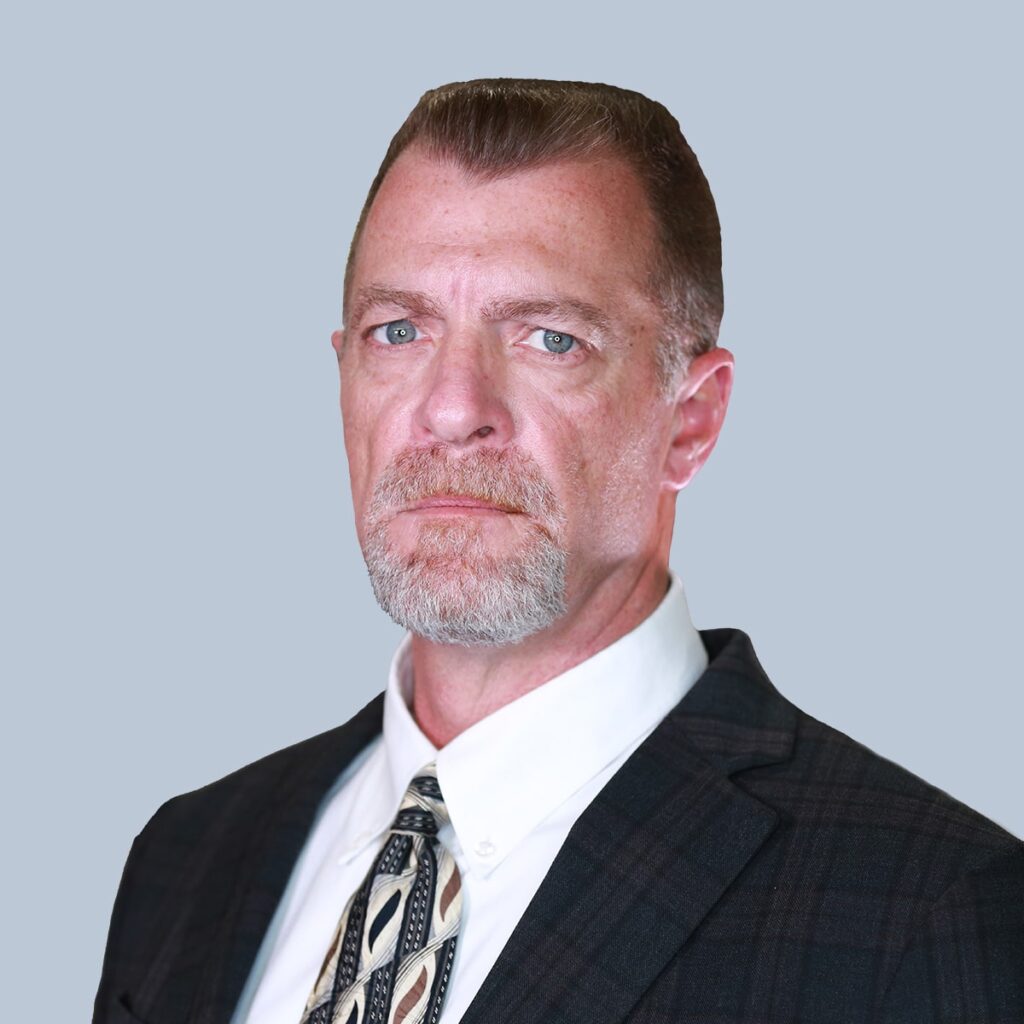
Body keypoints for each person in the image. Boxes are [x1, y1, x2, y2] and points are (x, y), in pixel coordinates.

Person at [94, 79, 1023, 1024]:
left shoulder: (933, 915)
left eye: (550, 338)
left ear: (691, 422)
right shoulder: (189, 858)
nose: (454, 408)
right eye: (400, 331)